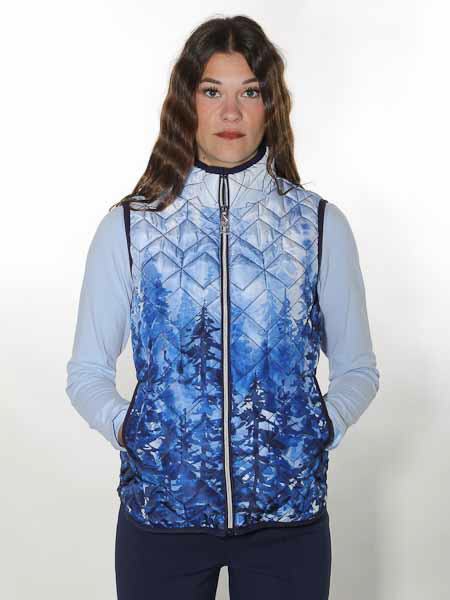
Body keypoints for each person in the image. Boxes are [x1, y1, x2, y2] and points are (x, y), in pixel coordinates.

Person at [66, 14, 380, 600]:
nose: (230, 112)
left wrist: (318, 429)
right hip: (162, 516)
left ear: (270, 106)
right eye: (213, 91)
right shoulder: (131, 228)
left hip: (287, 521)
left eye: (249, 93)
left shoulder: (317, 226)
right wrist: (133, 431)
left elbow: (358, 368)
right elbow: (86, 371)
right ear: (187, 102)